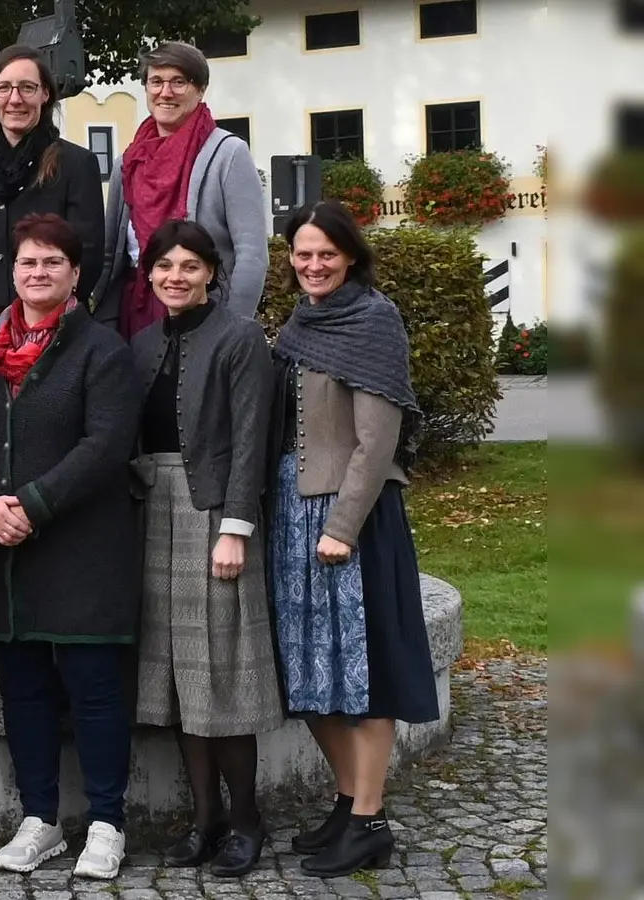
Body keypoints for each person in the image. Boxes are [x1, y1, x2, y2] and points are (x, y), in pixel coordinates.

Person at [0, 213, 141, 879]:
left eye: (52, 263)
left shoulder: (101, 351)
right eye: (29, 262)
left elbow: (107, 444)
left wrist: (33, 503)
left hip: (82, 548)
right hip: (5, 555)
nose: (38, 272)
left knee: (93, 688)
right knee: (24, 689)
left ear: (75, 274)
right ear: (13, 270)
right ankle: (40, 817)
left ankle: (108, 820)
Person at [269, 202, 437, 878]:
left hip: (352, 522)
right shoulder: (297, 324)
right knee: (310, 673)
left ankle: (368, 820)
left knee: (364, 674)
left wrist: (342, 527)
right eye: (303, 254)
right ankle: (348, 800)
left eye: (326, 254)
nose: (313, 265)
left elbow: (377, 443)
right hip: (291, 514)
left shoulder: (373, 320)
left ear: (350, 256)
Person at [128, 220, 282, 877]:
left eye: (191, 266)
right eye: (165, 266)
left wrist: (236, 528)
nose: (176, 277)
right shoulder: (139, 343)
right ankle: (205, 819)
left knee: (221, 672)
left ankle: (246, 820)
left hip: (214, 509)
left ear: (213, 274)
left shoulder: (241, 338)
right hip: (153, 509)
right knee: (178, 678)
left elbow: (253, 439)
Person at [93, 41, 267, 341]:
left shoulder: (228, 154)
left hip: (207, 318)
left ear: (199, 90)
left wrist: (233, 331)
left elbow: (251, 255)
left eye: (179, 81)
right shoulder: (129, 161)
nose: (165, 92)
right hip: (136, 316)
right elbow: (111, 257)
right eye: (156, 81)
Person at [0, 44, 104, 348]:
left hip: (57, 336)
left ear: (45, 94)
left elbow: (89, 255)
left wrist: (52, 327)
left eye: (27, 88)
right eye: (4, 88)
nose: (15, 99)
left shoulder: (77, 165)